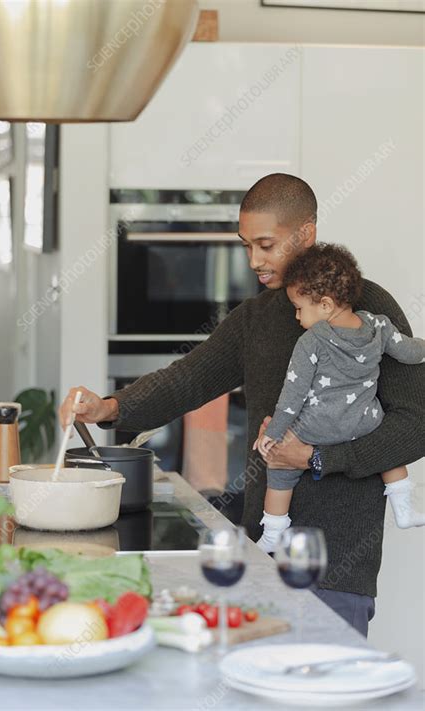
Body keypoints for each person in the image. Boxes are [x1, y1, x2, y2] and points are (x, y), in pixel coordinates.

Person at [59, 173, 424, 637]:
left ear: (305, 234)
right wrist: (108, 407)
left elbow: (416, 424)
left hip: (335, 566)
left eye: (266, 245)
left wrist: (317, 458)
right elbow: (187, 379)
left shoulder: (368, 307)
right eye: (246, 245)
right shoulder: (257, 317)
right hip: (262, 555)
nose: (254, 260)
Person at [253, 243, 425, 553]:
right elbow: (410, 351)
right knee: (388, 449)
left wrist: (274, 434)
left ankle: (274, 529)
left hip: (317, 427)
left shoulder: (312, 341)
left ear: (326, 305)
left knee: (279, 466)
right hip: (364, 423)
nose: (296, 315)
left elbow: (292, 397)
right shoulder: (378, 326)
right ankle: (404, 508)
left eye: (300, 307)